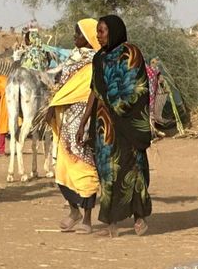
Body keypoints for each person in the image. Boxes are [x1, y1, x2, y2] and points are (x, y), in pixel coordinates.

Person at [86, 14, 152, 236]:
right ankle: (111, 223)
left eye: (102, 31)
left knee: (133, 169)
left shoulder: (130, 53)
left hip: (128, 123)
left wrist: (118, 105)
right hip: (104, 125)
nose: (98, 36)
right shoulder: (98, 58)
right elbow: (94, 91)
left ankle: (139, 218)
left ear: (113, 31)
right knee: (107, 170)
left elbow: (138, 88)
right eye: (97, 32)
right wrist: (85, 122)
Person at [49, 18, 101, 233]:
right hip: (64, 117)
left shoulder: (95, 63)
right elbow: (63, 88)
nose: (75, 37)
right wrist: (53, 106)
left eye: (79, 33)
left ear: (89, 39)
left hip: (83, 118)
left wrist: (83, 123)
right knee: (62, 167)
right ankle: (73, 211)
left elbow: (90, 92)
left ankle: (87, 218)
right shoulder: (73, 58)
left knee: (83, 165)